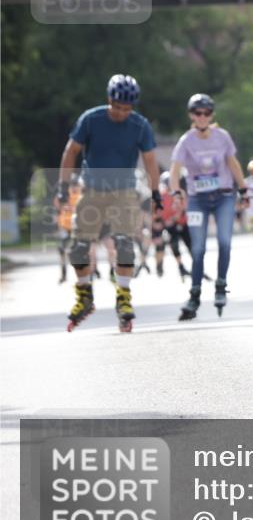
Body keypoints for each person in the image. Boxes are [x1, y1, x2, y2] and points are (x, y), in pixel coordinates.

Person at [56, 74, 160, 332]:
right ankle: (85, 297)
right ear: (109, 100)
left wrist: (156, 192)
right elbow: (71, 151)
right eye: (116, 106)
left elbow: (149, 160)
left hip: (124, 191)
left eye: (126, 108)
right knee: (79, 247)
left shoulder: (140, 125)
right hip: (92, 189)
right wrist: (62, 186)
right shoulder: (91, 119)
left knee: (125, 245)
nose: (121, 113)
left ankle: (123, 299)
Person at [170, 93, 247, 320]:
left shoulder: (222, 137)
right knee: (198, 248)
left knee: (224, 241)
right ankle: (194, 295)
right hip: (197, 201)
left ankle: (221, 286)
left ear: (211, 115)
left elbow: (233, 163)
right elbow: (175, 169)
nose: (202, 117)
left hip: (223, 196)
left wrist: (243, 189)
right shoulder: (186, 141)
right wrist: (176, 191)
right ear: (191, 116)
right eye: (197, 113)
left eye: (206, 113)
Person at [54, 176, 83, 284]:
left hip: (77, 227)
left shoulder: (81, 196)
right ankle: (63, 274)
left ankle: (87, 273)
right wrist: (57, 227)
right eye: (72, 185)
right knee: (62, 250)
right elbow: (57, 211)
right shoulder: (63, 196)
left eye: (76, 185)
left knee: (79, 251)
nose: (74, 188)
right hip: (65, 227)